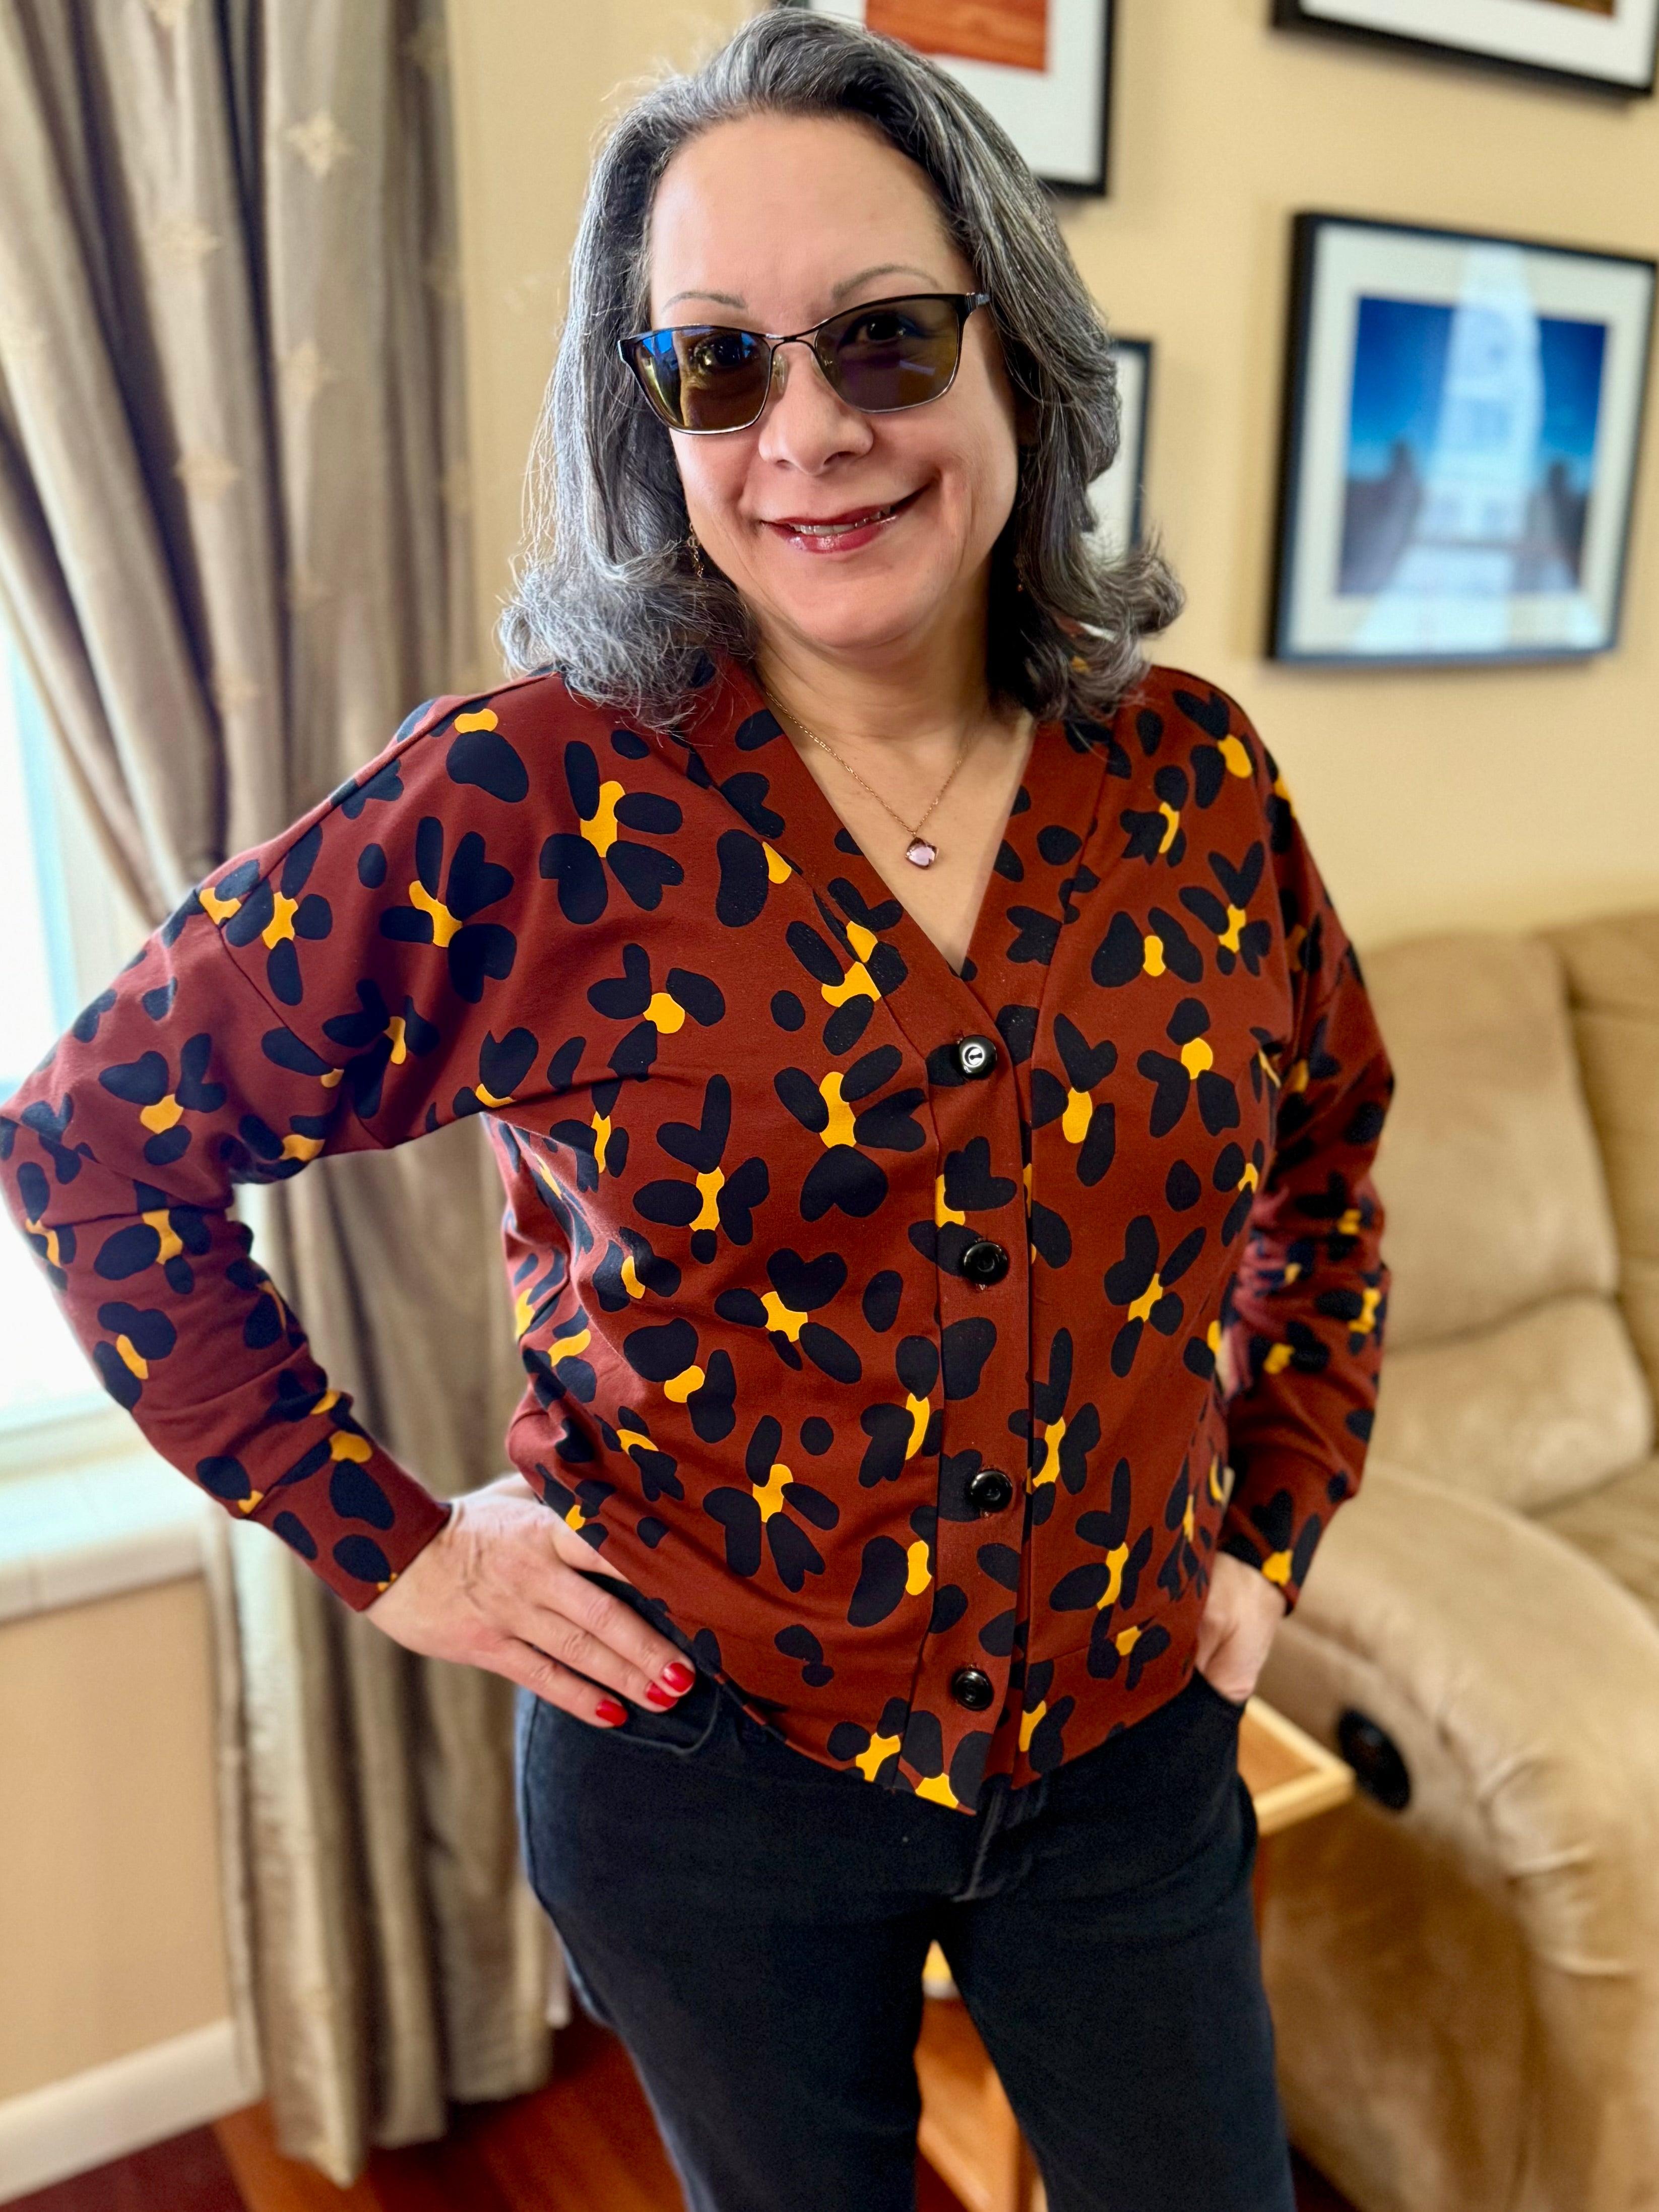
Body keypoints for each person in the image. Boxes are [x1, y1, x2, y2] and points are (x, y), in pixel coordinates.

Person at [1, 16, 1390, 2210]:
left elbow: (1324, 1176)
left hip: (1131, 1750)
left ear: (1015, 349)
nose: (808, 432)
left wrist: (1270, 1521)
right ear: (649, 413)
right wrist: (400, 1553)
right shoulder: (524, 800)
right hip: (712, 1778)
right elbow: (91, 1150)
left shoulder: (1193, 778)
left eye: (884, 340)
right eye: (718, 364)